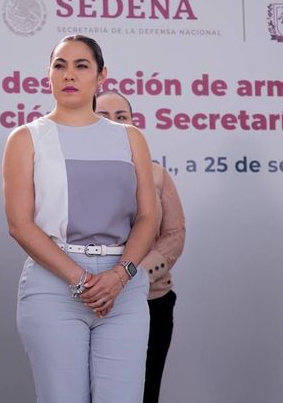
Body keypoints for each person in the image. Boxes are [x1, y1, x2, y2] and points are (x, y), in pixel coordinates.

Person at [2, 34, 158, 403]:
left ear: (101, 75)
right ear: (49, 74)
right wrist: (83, 280)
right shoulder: (26, 138)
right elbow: (19, 225)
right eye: (60, 65)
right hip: (55, 283)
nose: (69, 75)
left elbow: (149, 218)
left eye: (81, 65)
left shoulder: (130, 137)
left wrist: (120, 276)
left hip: (124, 286)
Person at [95, 90, 185, 403]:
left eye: (122, 117)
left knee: (145, 394)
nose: (115, 125)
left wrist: (129, 277)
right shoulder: (70, 172)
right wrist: (101, 283)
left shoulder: (156, 174)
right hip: (94, 302)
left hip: (151, 301)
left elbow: (174, 235)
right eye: (104, 117)